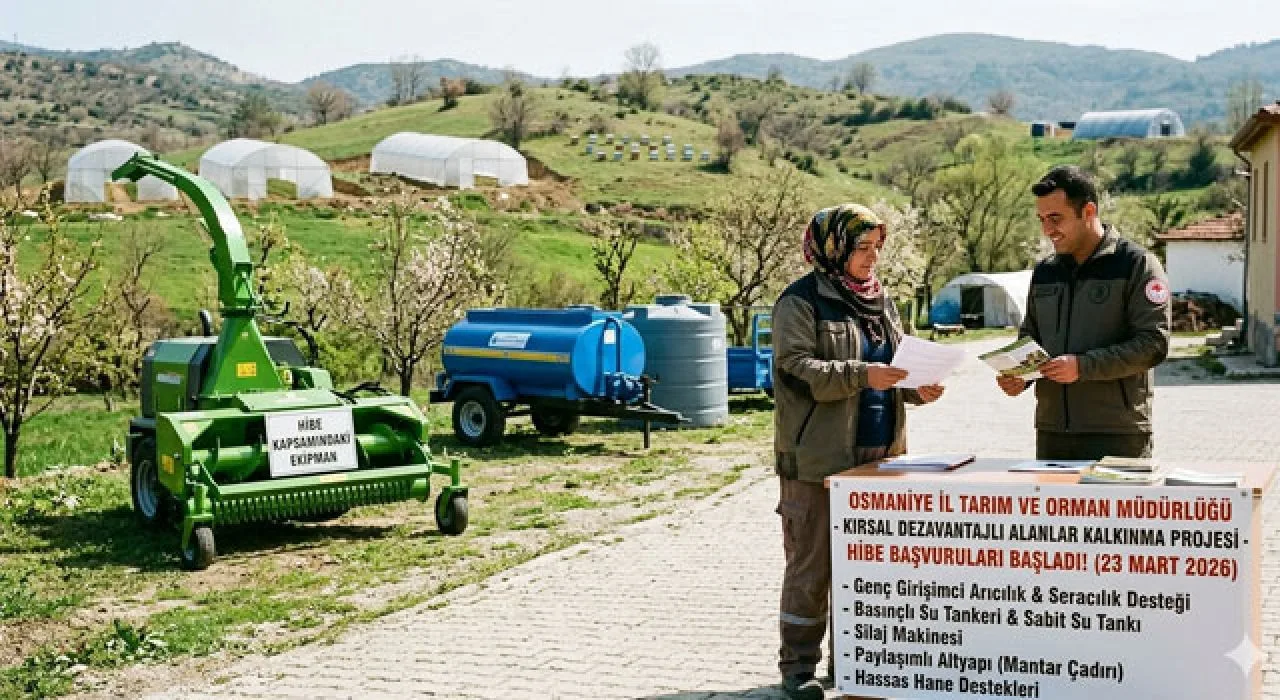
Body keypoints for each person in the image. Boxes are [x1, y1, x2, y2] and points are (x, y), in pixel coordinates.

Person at [771, 203, 944, 699]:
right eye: (861, 248)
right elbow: (797, 369)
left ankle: (854, 665)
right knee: (811, 568)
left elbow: (892, 366)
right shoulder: (799, 302)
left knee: (866, 568)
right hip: (817, 460)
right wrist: (862, 375)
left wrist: (917, 387)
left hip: (881, 457)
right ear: (833, 249)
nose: (872, 258)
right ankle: (798, 670)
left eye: (876, 248)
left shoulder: (881, 301)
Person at [997, 165, 1171, 459]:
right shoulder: (1045, 272)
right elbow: (1030, 338)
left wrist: (1083, 366)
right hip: (1052, 435)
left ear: (1088, 211)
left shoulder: (1137, 265)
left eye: (1055, 219)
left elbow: (1153, 344)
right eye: (1042, 220)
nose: (1047, 230)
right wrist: (1018, 375)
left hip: (1117, 435)